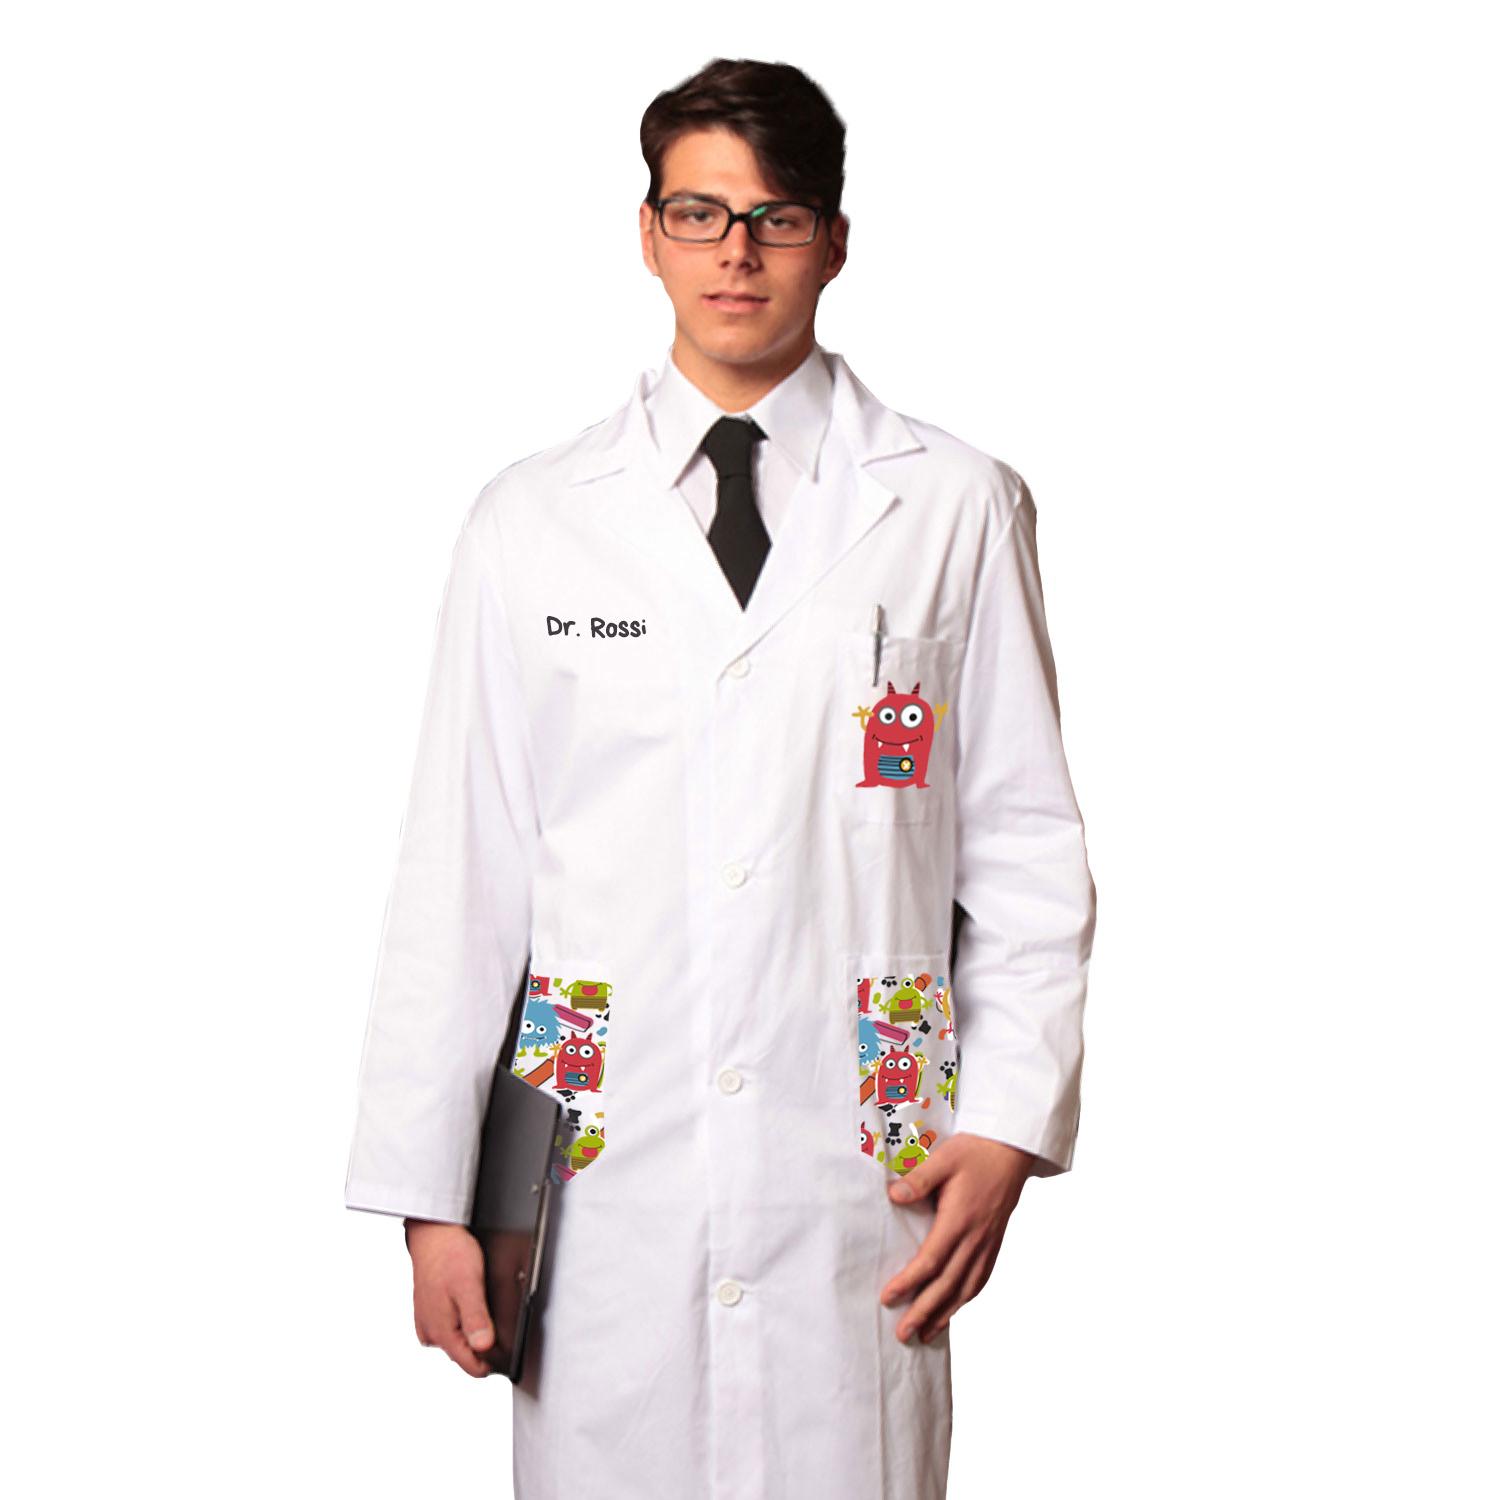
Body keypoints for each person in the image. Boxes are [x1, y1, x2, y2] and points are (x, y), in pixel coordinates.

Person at [344, 56, 1097, 1500]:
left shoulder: (955, 505)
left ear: (834, 241)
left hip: (862, 1167)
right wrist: (432, 1195)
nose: (735, 252)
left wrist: (1007, 1123)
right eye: (698, 213)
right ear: (649, 235)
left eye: (776, 217)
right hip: (595, 1178)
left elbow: (1022, 848)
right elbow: (464, 874)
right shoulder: (530, 522)